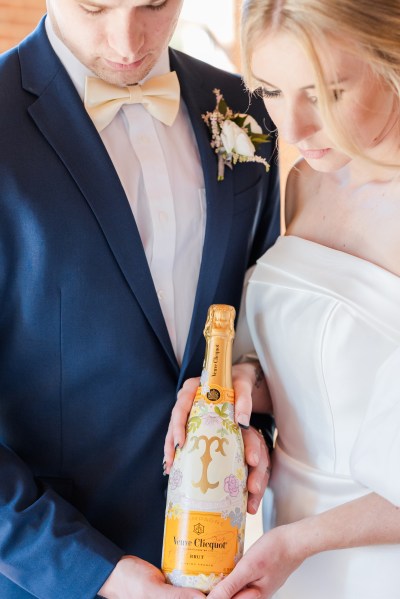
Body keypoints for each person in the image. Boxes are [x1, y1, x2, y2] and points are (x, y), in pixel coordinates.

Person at [0, 1, 281, 597]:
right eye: (94, 5)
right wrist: (100, 574)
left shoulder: (246, 112)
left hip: (220, 568)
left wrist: (251, 409)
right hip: (42, 576)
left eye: (155, 2)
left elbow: (264, 316)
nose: (129, 42)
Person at [166, 0, 400, 597]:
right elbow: (331, 364)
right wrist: (243, 384)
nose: (291, 130)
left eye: (324, 93)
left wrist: (302, 542)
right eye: (270, 90)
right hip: (282, 542)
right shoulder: (304, 181)